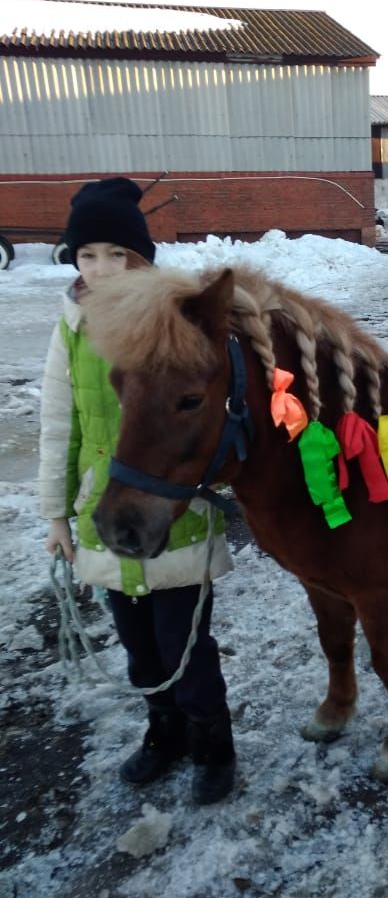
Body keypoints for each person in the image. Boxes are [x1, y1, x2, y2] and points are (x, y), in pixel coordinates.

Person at [39, 177, 237, 805]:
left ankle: (213, 746)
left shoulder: (171, 319)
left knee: (187, 648)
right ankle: (164, 735)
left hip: (174, 515)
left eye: (119, 254)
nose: (102, 269)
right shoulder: (70, 330)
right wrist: (55, 514)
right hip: (108, 516)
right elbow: (58, 423)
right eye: (87, 255)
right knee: (140, 651)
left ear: (144, 258)